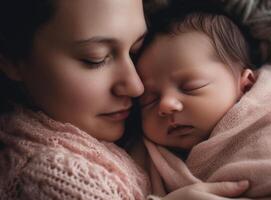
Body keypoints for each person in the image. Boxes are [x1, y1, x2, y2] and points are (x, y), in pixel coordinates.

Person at [0, 0, 250, 199]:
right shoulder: (51, 177)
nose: (136, 86)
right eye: (95, 59)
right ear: (12, 59)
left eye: (136, 51)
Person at [137, 4, 271, 199]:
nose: (165, 105)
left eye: (190, 87)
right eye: (149, 101)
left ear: (246, 84)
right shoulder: (146, 158)